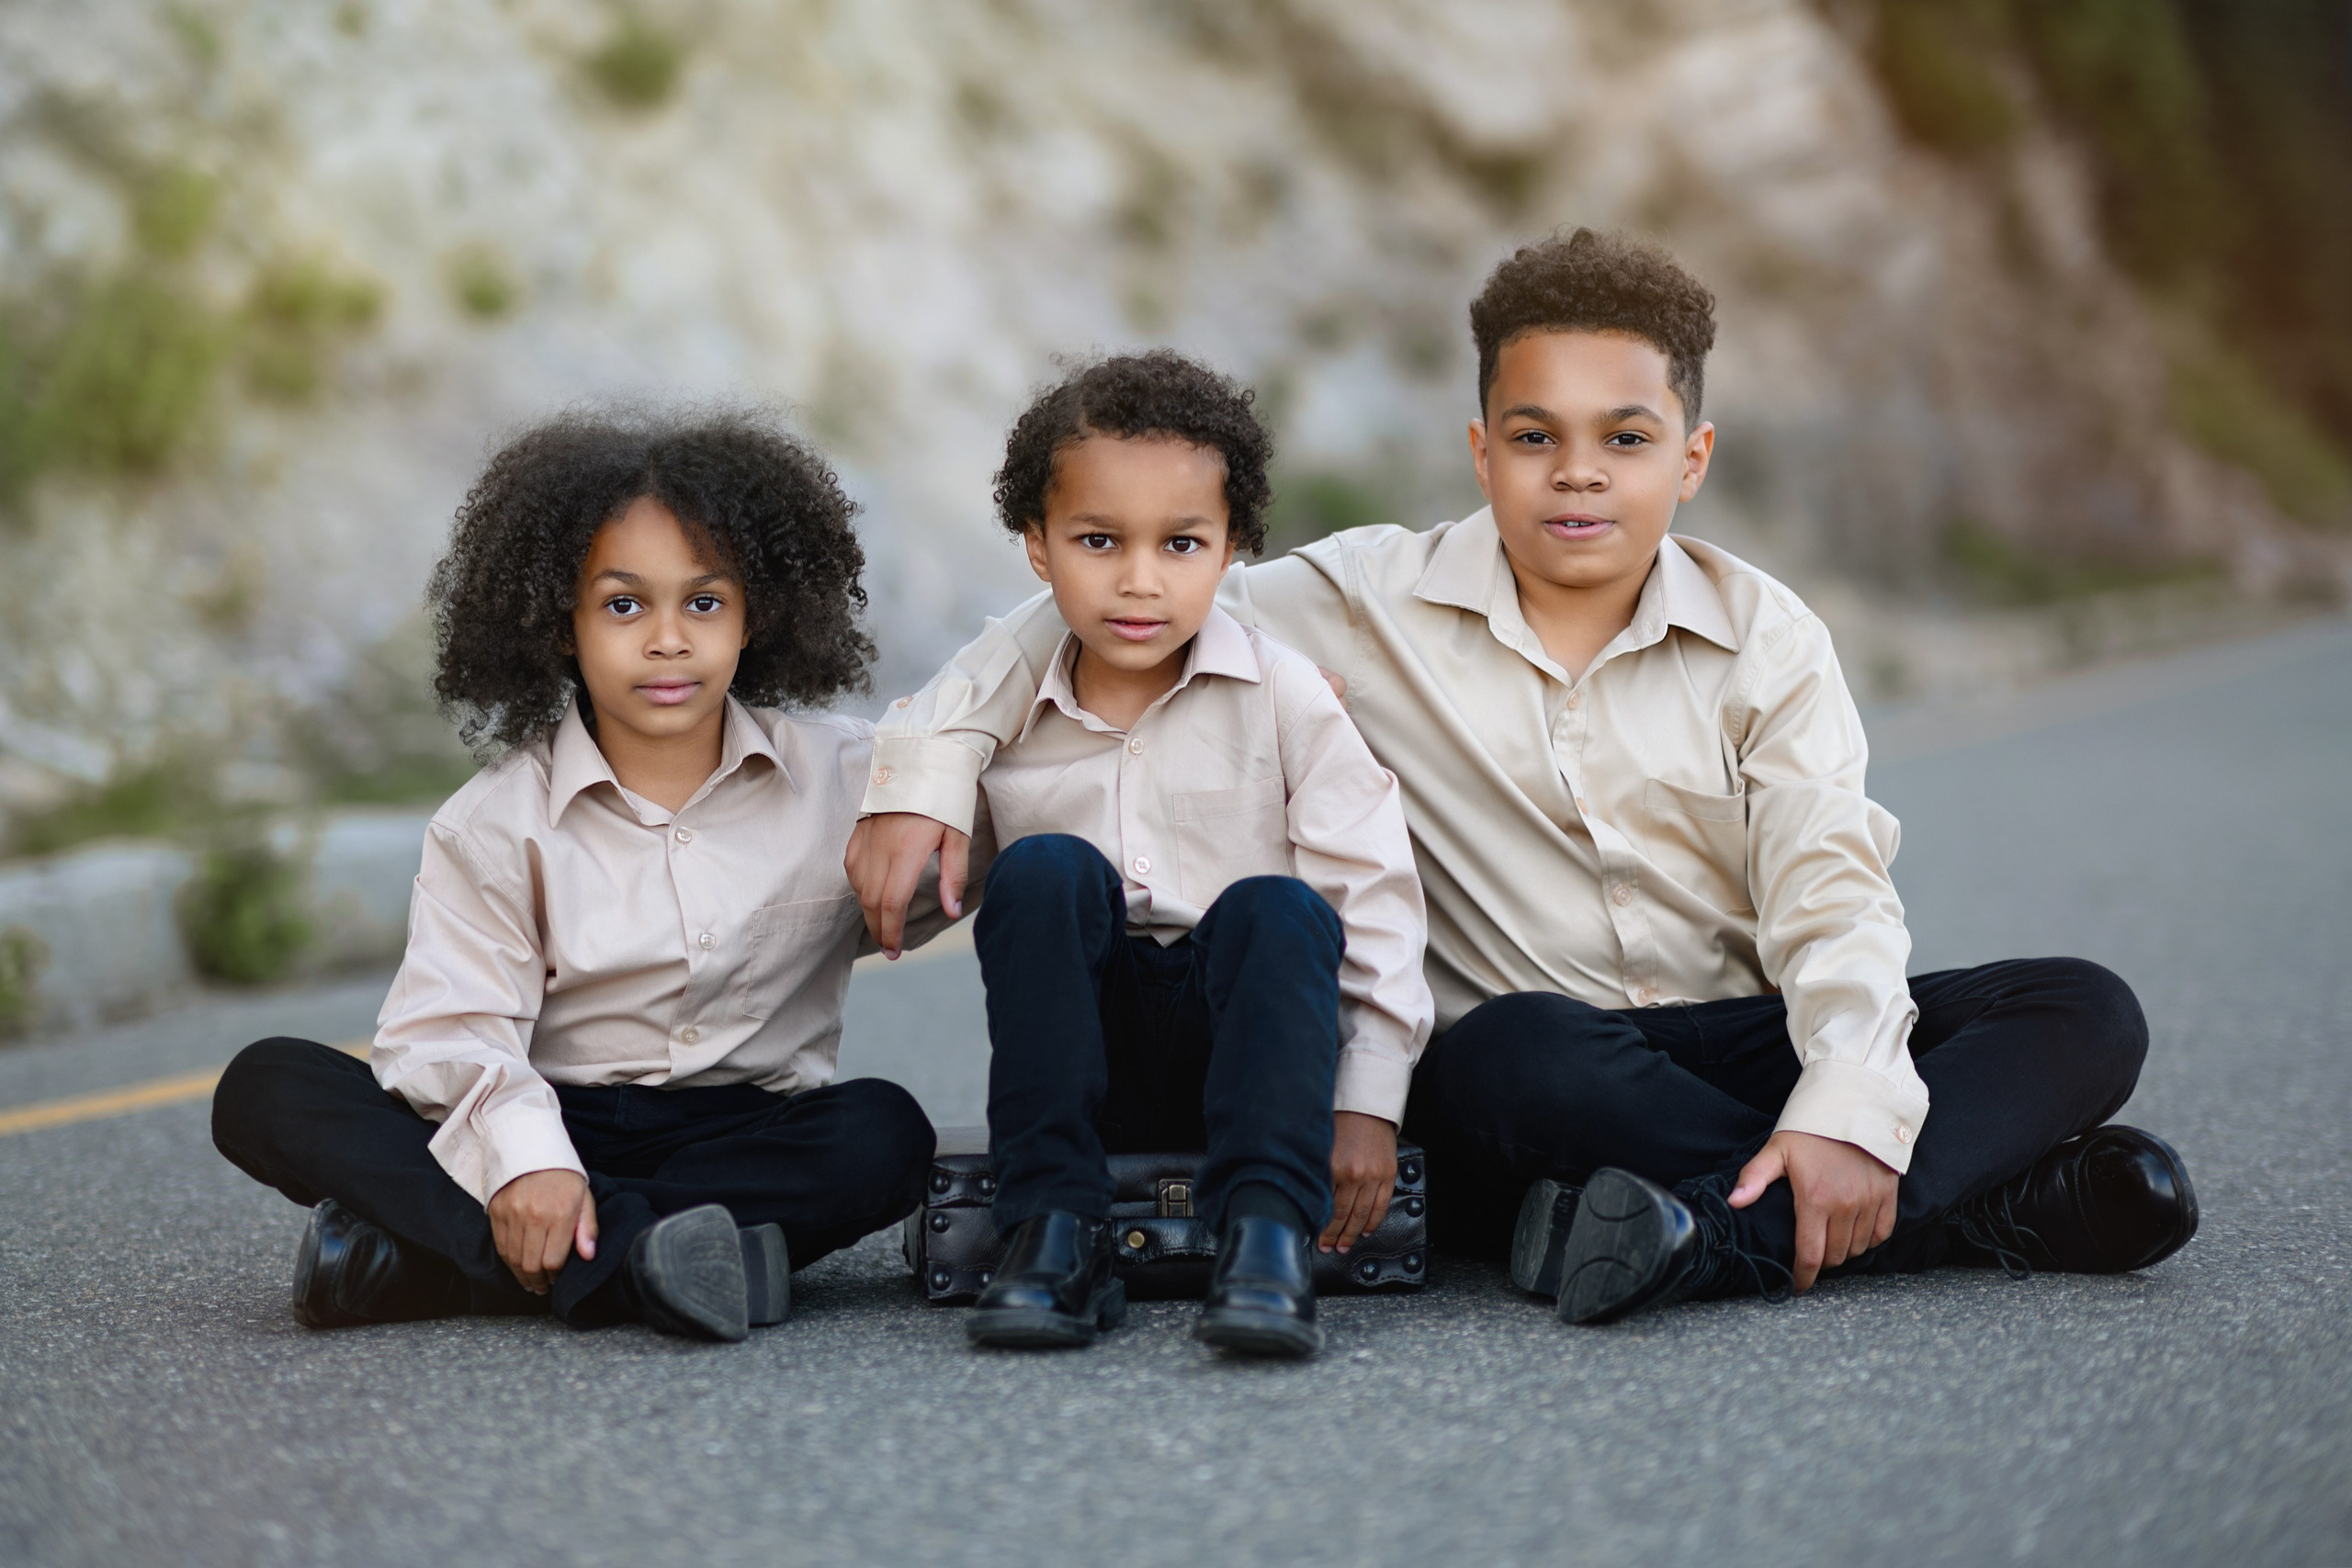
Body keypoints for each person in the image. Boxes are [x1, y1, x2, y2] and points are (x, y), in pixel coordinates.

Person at [848, 231, 2198, 1327]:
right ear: (1482, 448)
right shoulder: (1355, 599)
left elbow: (1832, 892)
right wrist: (928, 767)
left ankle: (1718, 1230)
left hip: (1739, 1029)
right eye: (1536, 435)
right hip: (1534, 1067)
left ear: (1692, 456)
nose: (1579, 476)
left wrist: (1844, 1096)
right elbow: (1102, 601)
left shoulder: (1767, 635)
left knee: (2082, 1007)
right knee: (1512, 1052)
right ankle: (1979, 1202)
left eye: (1627, 438)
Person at [212, 409, 946, 1343]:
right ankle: (649, 1257)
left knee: (884, 1133)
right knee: (269, 1084)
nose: (668, 639)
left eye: (704, 603)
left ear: (755, 614)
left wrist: (931, 798)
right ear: (561, 623)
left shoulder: (849, 778)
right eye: (624, 606)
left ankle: (446, 1262)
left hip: (745, 1137)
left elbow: (1000, 800)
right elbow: (452, 1028)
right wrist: (529, 1161)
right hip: (551, 1113)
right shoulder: (493, 822)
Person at [863, 351, 1431, 1359]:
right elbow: (934, 723)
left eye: (1181, 543)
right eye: (1097, 541)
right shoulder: (1002, 707)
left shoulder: (1286, 693)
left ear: (1230, 548)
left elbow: (1374, 895)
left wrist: (1369, 1102)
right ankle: (1054, 1238)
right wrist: (917, 788)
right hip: (1084, 1068)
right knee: (1043, 870)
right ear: (1037, 547)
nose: (1139, 579)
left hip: (1253, 1060)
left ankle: (1265, 1242)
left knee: (1280, 907)